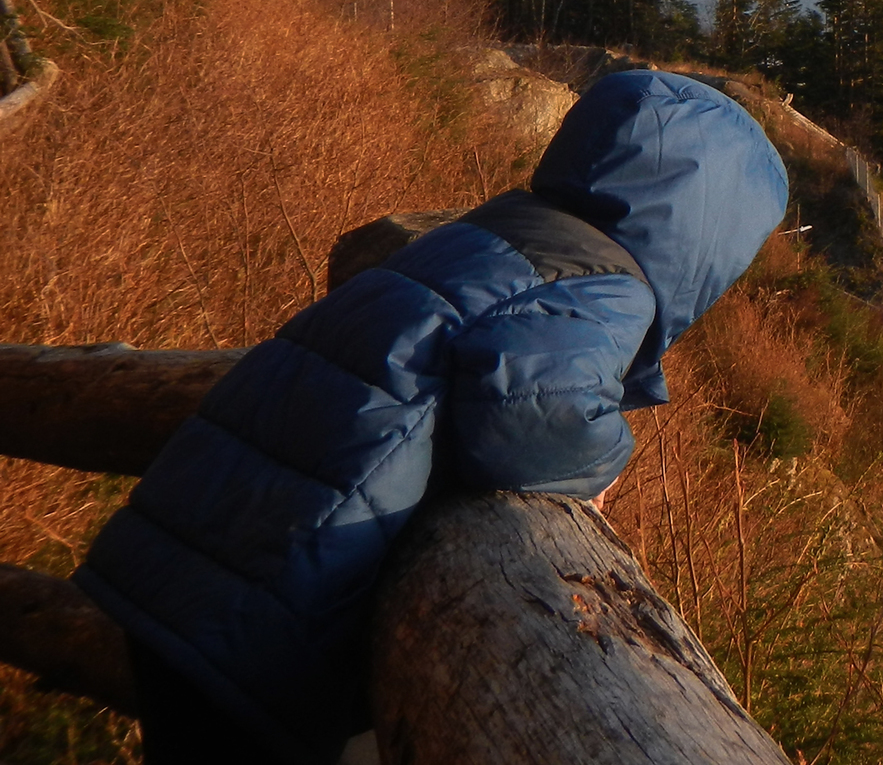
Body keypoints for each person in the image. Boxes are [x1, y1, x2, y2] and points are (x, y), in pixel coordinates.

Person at [75, 68, 790, 765]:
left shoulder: (482, 236)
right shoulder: (606, 284)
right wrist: (598, 470)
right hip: (263, 610)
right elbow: (532, 415)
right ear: (705, 236)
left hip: (191, 550)